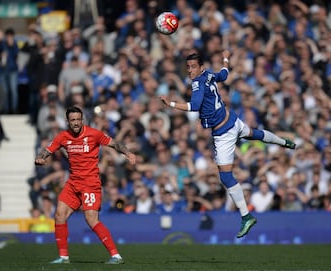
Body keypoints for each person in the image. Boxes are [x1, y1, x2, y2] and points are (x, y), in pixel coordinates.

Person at [159, 51, 296, 238]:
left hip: (223, 133)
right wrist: (225, 58)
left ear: (201, 67)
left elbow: (195, 105)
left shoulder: (198, 82)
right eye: (188, 67)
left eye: (193, 67)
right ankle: (284, 142)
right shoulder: (208, 75)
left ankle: (246, 216)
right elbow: (224, 74)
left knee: (225, 177)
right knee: (254, 134)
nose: (190, 71)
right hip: (231, 118)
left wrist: (171, 103)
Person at [34, 106, 136, 264]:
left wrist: (128, 153)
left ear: (82, 120)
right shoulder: (62, 137)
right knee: (60, 215)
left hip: (90, 183)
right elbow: (46, 151)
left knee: (91, 219)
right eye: (72, 120)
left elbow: (115, 144)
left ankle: (116, 256)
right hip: (73, 183)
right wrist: (40, 158)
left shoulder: (94, 134)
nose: (76, 123)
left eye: (78, 119)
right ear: (68, 121)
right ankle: (63, 257)